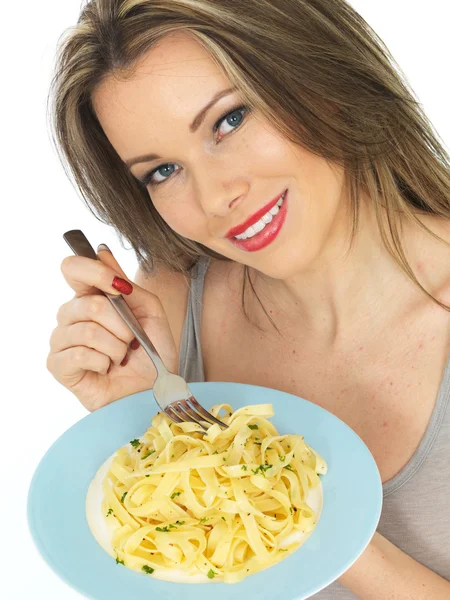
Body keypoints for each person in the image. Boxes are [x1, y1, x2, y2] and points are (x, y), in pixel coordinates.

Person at [46, 0, 450, 597]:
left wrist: (313, 522)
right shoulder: (169, 314)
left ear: (323, 80)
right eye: (161, 171)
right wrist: (142, 436)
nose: (214, 198)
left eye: (229, 121)